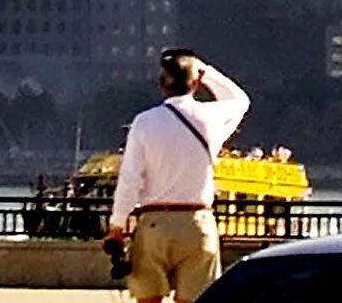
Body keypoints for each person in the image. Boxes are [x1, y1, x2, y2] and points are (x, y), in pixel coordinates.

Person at [107, 47, 253, 303]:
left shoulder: (144, 122)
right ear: (195, 82)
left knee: (148, 298)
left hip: (154, 223)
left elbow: (130, 180)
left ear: (162, 85)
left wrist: (117, 226)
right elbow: (240, 100)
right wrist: (204, 70)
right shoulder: (211, 118)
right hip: (197, 223)